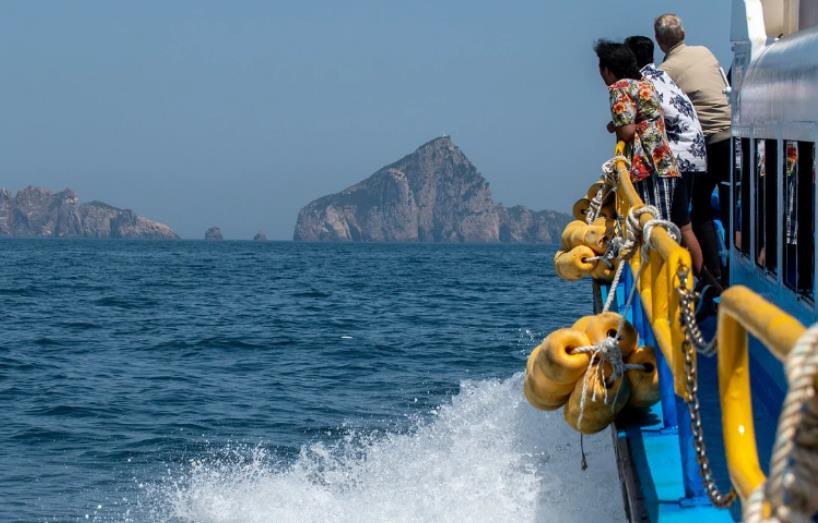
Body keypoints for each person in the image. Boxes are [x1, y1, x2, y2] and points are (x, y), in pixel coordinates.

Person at [654, 13, 731, 284]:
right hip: (734, 135)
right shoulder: (705, 52)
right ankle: (740, 265)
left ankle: (714, 277)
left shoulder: (666, 71)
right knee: (732, 203)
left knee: (698, 210)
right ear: (683, 34)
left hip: (708, 142)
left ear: (660, 42)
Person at [624, 35, 706, 275]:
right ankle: (699, 276)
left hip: (678, 156)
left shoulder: (643, 82)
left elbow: (649, 117)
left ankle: (698, 279)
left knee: (681, 223)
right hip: (695, 152)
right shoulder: (661, 75)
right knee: (683, 220)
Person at [593, 40, 680, 223]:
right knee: (665, 223)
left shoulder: (619, 88)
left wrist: (616, 126)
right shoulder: (645, 84)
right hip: (664, 161)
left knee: (648, 222)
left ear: (607, 70)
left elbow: (626, 131)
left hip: (645, 164)